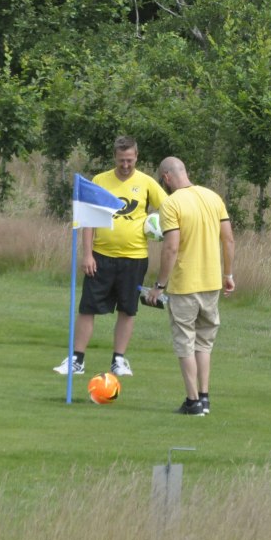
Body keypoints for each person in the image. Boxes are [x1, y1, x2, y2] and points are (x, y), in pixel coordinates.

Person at [54, 136, 167, 378]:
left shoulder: (147, 183)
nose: (125, 165)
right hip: (100, 256)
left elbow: (169, 208)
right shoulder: (100, 181)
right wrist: (87, 254)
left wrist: (158, 226)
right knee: (88, 308)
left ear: (136, 157)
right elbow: (88, 220)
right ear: (114, 157)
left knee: (128, 310)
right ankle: (77, 359)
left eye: (129, 160)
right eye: (121, 160)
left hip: (135, 258)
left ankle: (118, 360)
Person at [146, 157, 235, 416]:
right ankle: (204, 398)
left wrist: (159, 285)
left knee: (185, 342)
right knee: (204, 342)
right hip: (211, 282)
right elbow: (228, 239)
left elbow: (171, 248)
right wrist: (228, 274)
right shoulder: (213, 197)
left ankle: (192, 401)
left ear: (166, 178)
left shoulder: (171, 203)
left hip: (184, 284)